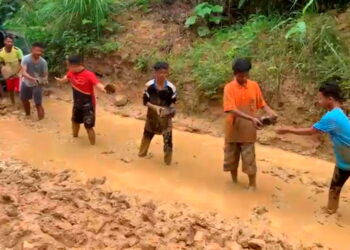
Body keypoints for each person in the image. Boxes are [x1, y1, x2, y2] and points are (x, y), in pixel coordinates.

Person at [276, 80, 350, 214]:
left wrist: (288, 129)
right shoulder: (339, 112)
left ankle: (330, 211)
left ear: (330, 99)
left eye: (320, 99)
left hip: (346, 159)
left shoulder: (331, 116)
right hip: (344, 158)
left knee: (335, 187)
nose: (318, 102)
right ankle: (331, 210)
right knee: (335, 186)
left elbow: (311, 131)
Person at [223, 58, 277, 190]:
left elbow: (261, 103)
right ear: (235, 74)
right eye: (241, 75)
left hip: (249, 129)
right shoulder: (229, 88)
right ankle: (234, 182)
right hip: (233, 128)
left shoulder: (254, 85)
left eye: (246, 74)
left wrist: (271, 112)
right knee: (231, 157)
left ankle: (252, 185)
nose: (244, 77)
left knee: (249, 159)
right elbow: (231, 109)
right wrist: (251, 118)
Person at [55, 55, 106, 145]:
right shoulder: (71, 72)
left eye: (68, 65)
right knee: (74, 121)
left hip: (88, 104)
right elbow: (65, 79)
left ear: (73, 65)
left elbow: (98, 84)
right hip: (77, 103)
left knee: (88, 127)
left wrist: (104, 89)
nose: (67, 67)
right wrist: (60, 80)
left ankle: (93, 147)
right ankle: (74, 139)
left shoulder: (89, 74)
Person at [138, 61, 177, 165]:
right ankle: (140, 159)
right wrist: (155, 108)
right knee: (146, 137)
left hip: (165, 118)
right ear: (155, 72)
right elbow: (145, 102)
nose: (162, 75)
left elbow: (173, 104)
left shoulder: (171, 88)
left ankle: (167, 163)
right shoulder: (149, 86)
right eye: (160, 72)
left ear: (167, 73)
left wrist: (170, 111)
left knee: (168, 143)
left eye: (164, 72)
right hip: (151, 116)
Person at [21, 42, 48, 120]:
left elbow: (45, 75)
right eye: (37, 50)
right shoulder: (26, 59)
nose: (39, 53)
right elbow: (23, 72)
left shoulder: (43, 62)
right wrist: (32, 78)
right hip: (26, 82)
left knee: (38, 103)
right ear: (32, 50)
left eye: (41, 51)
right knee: (24, 99)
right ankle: (28, 115)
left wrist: (44, 80)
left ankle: (41, 122)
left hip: (37, 83)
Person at [0, 35, 23, 105]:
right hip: (9, 74)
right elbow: (1, 63)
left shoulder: (17, 50)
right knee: (10, 89)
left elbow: (21, 62)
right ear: (4, 42)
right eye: (8, 41)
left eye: (11, 42)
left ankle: (22, 103)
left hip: (18, 72)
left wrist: (17, 72)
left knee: (19, 90)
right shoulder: (1, 52)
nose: (10, 43)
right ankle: (13, 103)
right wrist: (5, 72)